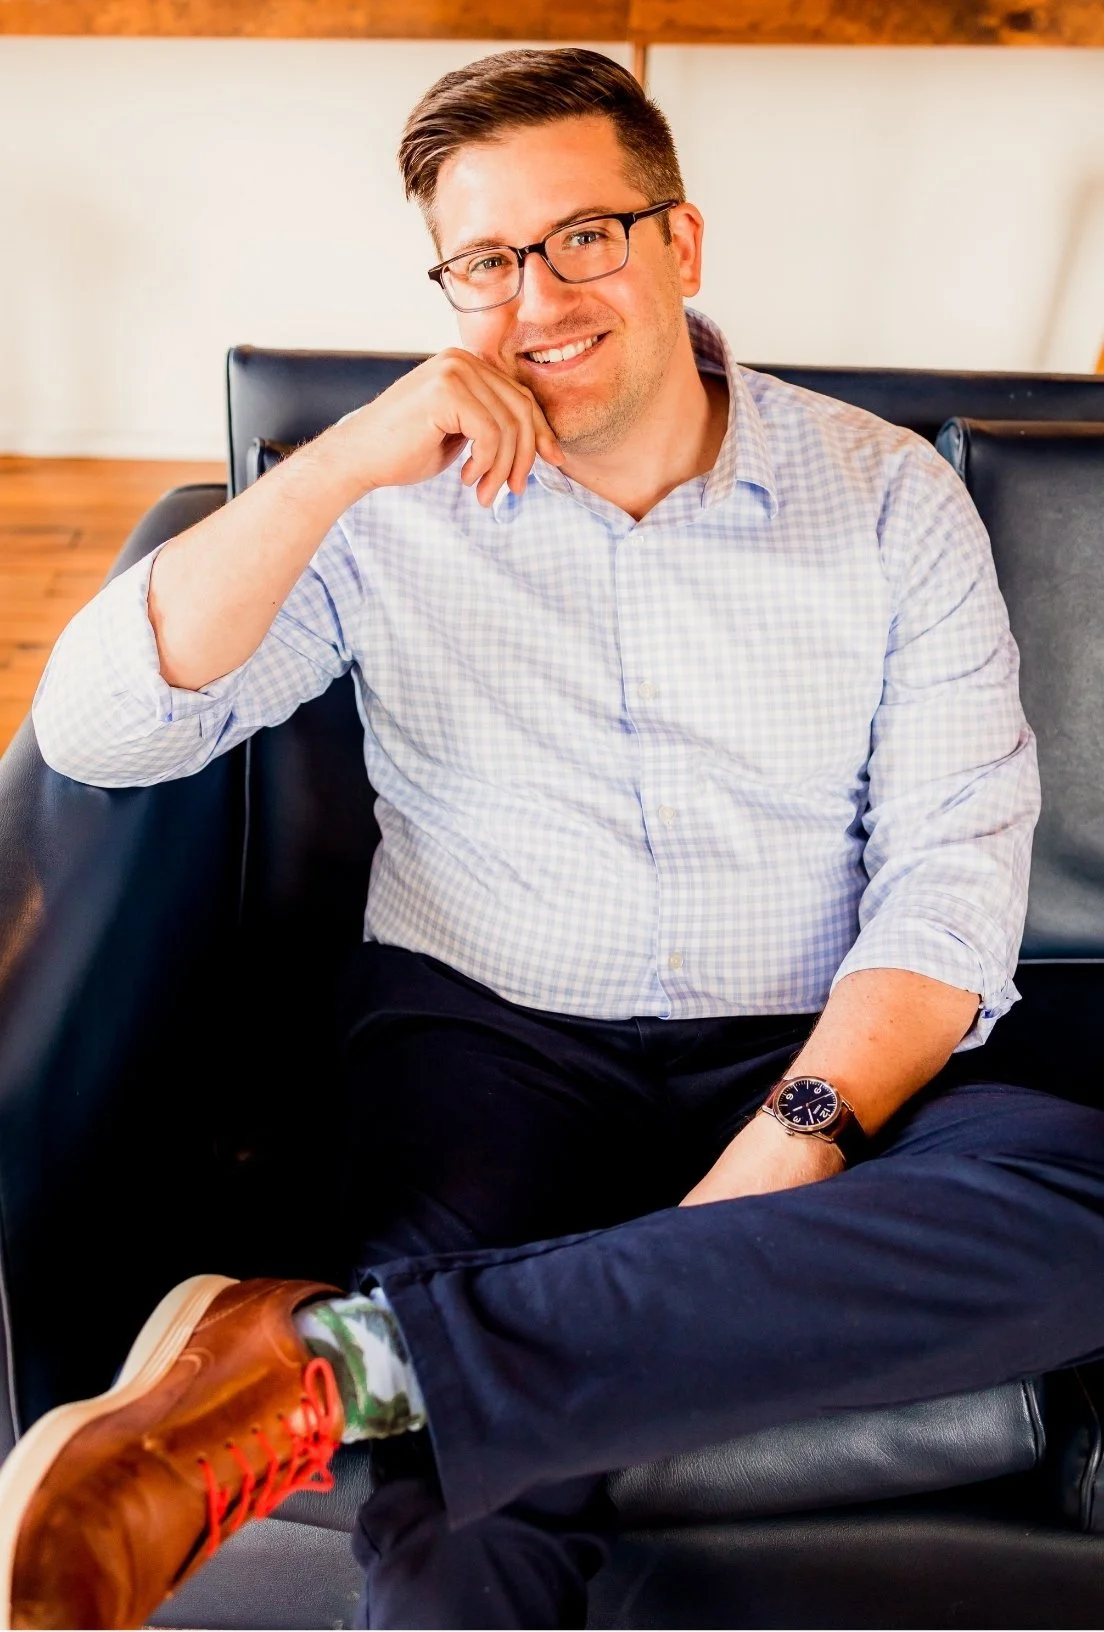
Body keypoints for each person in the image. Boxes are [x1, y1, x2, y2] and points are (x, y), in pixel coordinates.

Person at [3, 44, 1104, 1632]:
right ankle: (423, 1367)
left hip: (814, 1043)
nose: (538, 299)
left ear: (682, 243)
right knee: (468, 1526)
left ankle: (346, 1365)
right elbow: (106, 732)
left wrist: (801, 1131)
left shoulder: (886, 497)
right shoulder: (385, 502)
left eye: (585, 236)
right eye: (486, 262)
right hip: (487, 1053)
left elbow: (952, 876)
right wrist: (340, 464)